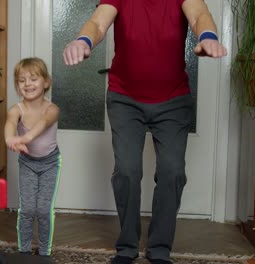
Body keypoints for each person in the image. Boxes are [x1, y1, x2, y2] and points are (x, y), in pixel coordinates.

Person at [63, 1, 227, 264]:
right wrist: (84, 40)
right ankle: (127, 247)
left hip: (173, 101)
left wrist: (208, 36)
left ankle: (159, 249)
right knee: (127, 170)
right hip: (125, 99)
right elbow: (98, 23)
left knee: (172, 171)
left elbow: (200, 16)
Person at [4, 57, 62, 257]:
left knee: (44, 211)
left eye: (33, 78)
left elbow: (43, 124)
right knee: (27, 210)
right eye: (22, 80)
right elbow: (10, 123)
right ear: (18, 86)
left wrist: (24, 138)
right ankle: (24, 252)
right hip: (27, 164)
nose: (27, 84)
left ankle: (45, 252)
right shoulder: (16, 109)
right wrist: (10, 138)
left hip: (50, 164)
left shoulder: (52, 109)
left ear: (46, 82)